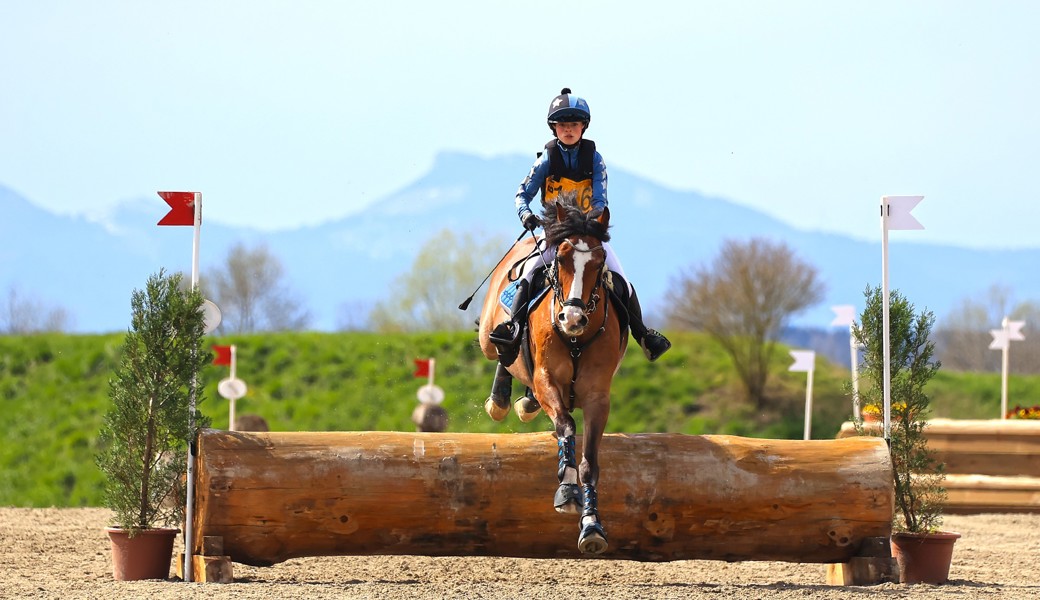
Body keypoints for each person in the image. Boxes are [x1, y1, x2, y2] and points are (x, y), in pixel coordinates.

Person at [489, 88, 671, 366]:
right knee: (528, 273)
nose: (569, 130)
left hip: (588, 235)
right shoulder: (546, 160)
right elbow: (522, 194)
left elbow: (600, 200)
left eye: (574, 125)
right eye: (563, 125)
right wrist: (526, 214)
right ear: (554, 129)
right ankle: (513, 328)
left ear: (583, 127)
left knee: (622, 282)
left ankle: (643, 334)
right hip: (555, 235)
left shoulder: (595, 160)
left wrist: (589, 226)